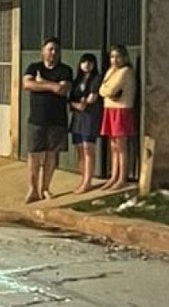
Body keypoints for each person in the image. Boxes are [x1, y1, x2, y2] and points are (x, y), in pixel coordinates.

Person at [22, 37, 73, 204]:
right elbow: (27, 85)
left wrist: (43, 83)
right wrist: (52, 86)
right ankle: (33, 189)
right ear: (43, 51)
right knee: (34, 155)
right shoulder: (33, 67)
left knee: (52, 155)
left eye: (56, 50)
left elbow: (62, 90)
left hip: (57, 120)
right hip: (36, 120)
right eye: (50, 49)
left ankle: (45, 188)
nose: (53, 52)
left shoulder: (65, 70)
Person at [99, 44, 137, 189]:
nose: (114, 60)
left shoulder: (125, 71)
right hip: (109, 109)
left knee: (121, 146)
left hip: (121, 111)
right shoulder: (110, 71)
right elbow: (102, 89)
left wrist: (107, 90)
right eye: (112, 56)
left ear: (124, 57)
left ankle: (122, 177)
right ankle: (114, 176)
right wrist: (106, 90)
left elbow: (111, 89)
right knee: (113, 145)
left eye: (118, 56)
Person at [69, 51, 103, 193]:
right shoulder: (77, 80)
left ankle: (88, 181)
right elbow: (71, 100)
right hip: (78, 117)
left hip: (90, 117)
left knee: (88, 148)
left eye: (90, 62)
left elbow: (92, 97)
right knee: (80, 150)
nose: (86, 65)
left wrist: (85, 103)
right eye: (84, 62)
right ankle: (82, 178)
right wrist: (77, 105)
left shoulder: (97, 79)